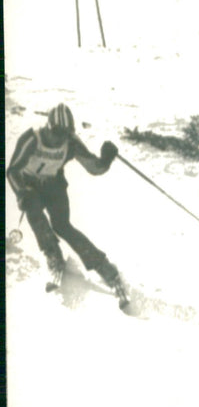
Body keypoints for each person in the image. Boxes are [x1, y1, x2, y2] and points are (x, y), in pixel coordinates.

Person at [6, 103, 129, 306]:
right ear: (48, 127)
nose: (59, 138)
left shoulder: (70, 142)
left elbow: (94, 167)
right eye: (56, 133)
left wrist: (106, 159)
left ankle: (102, 264)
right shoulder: (32, 139)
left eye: (64, 134)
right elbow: (12, 171)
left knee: (62, 225)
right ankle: (53, 255)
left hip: (54, 185)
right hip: (31, 186)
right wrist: (21, 191)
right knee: (33, 209)